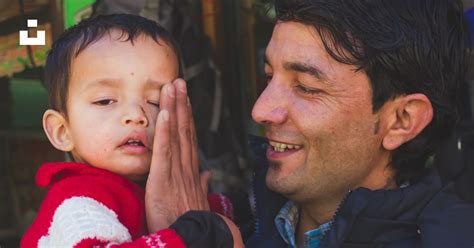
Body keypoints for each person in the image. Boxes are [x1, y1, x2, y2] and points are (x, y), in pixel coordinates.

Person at [239, 0, 474, 247]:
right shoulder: (237, 221)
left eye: (306, 87)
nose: (260, 110)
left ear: (401, 120)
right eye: (268, 76)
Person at [21, 14, 243, 248]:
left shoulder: (161, 189)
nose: (137, 115)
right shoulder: (77, 199)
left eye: (156, 101)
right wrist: (192, 234)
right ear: (62, 131)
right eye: (105, 101)